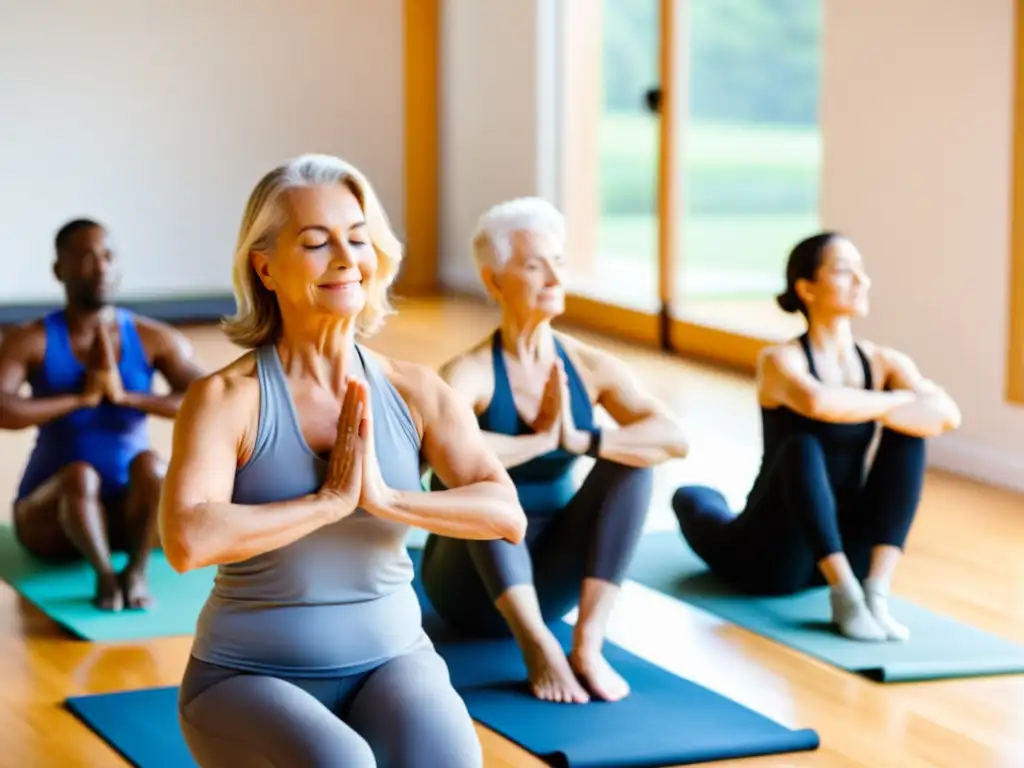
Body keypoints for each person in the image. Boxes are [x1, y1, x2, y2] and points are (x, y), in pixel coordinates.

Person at [159, 154, 526, 768]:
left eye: (357, 239)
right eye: (315, 242)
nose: (345, 258)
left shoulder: (414, 390)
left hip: (392, 661)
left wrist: (385, 498)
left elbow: (504, 513)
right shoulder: (228, 398)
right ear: (265, 266)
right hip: (245, 678)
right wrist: (326, 502)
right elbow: (188, 540)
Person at [420, 197, 689, 705]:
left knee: (634, 463)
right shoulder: (471, 372)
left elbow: (674, 437)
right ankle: (537, 645)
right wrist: (535, 442)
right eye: (532, 264)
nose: (553, 275)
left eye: (558, 261)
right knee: (484, 486)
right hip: (467, 586)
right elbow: (441, 453)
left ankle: (586, 643)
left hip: (550, 578)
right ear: (495, 281)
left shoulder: (589, 366)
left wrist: (583, 440)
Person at [672, 232, 962, 643]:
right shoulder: (780, 360)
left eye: (862, 271)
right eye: (845, 271)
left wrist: (891, 403)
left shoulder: (883, 361)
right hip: (773, 552)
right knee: (699, 494)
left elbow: (947, 414)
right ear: (806, 288)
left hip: (847, 542)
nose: (862, 281)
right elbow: (818, 402)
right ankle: (844, 595)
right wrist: (898, 400)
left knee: (909, 437)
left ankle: (874, 592)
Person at [0, 218, 204, 611]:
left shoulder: (153, 337)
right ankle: (106, 577)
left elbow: (206, 396)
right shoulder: (31, 338)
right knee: (80, 475)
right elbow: (2, 407)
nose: (100, 267)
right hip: (51, 520)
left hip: (128, 520)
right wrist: (81, 399)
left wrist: (126, 397)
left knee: (153, 466)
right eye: (86, 257)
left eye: (108, 256)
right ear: (59, 270)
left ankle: (136, 571)